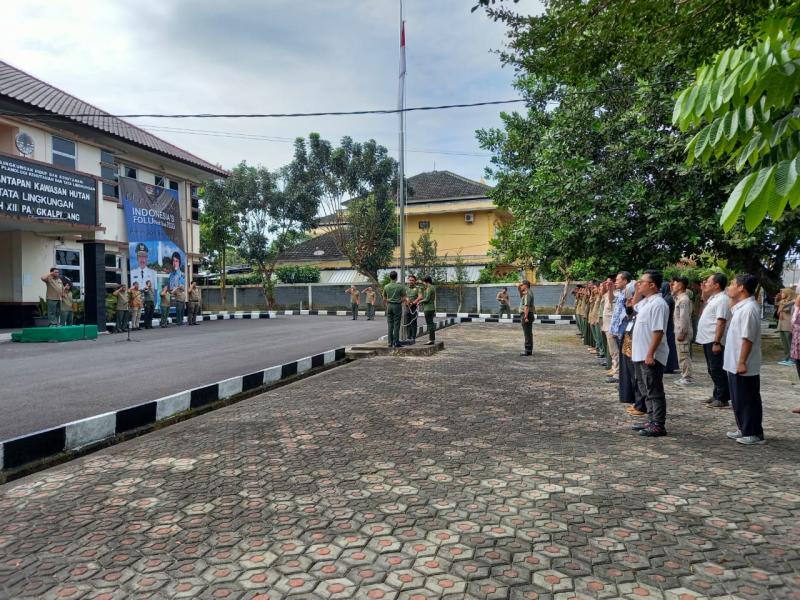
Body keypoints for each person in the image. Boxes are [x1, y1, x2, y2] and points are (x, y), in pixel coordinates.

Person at [724, 274, 765, 445]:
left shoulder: (749, 309)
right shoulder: (741, 307)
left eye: (733, 283)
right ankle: (743, 428)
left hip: (743, 363)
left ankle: (754, 432)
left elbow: (747, 338)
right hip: (734, 361)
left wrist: (742, 362)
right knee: (739, 398)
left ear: (741, 287)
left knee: (748, 399)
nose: (729, 286)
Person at [630, 270, 670, 437]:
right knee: (644, 388)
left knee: (654, 390)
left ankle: (658, 424)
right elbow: (633, 306)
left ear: (653, 285)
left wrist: (650, 354)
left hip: (649, 355)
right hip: (640, 354)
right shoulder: (647, 302)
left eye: (642, 282)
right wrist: (638, 291)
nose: (639, 284)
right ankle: (651, 419)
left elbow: (658, 331)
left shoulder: (658, 304)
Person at [696, 273, 731, 408]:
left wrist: (717, 342)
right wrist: (704, 291)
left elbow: (721, 321)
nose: (706, 283)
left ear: (716, 285)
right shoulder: (714, 298)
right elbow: (704, 301)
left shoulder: (722, 299)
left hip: (713, 339)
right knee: (712, 369)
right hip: (707, 338)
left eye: (709, 282)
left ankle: (722, 398)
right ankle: (717, 393)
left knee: (716, 369)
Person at [671, 276, 694, 385]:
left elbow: (684, 318)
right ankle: (684, 375)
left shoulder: (684, 299)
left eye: (674, 284)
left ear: (680, 286)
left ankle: (687, 377)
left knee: (684, 354)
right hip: (679, 330)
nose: (672, 286)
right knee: (681, 354)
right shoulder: (679, 298)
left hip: (682, 332)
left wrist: (682, 333)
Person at [382, 271, 406, 348]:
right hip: (397, 306)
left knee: (390, 325)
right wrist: (399, 301)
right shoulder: (400, 286)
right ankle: (396, 342)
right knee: (396, 324)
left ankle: (389, 342)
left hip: (389, 306)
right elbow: (404, 297)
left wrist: (387, 305)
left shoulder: (386, 286)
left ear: (390, 277)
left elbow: (384, 298)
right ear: (396, 277)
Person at [603, 277, 620, 383]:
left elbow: (611, 299)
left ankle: (617, 372)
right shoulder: (611, 293)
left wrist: (610, 289)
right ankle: (614, 368)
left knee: (615, 351)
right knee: (612, 350)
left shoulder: (617, 294)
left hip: (612, 326)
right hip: (607, 324)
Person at [776, 288, 795, 365]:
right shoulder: (781, 302)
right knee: (784, 343)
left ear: (788, 294)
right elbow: (778, 310)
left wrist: (782, 306)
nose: (782, 294)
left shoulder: (792, 303)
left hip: (788, 325)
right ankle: (787, 357)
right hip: (781, 325)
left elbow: (787, 309)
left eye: (783, 293)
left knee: (789, 343)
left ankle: (792, 359)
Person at [404, 275, 422, 344]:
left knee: (413, 323)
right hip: (407, 307)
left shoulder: (418, 288)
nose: (411, 281)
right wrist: (406, 301)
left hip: (414, 307)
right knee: (407, 322)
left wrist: (414, 302)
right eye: (410, 280)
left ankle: (413, 338)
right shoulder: (405, 288)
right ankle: (408, 337)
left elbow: (420, 296)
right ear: (408, 281)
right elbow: (403, 296)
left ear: (415, 281)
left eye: (412, 280)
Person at [519, 279, 535, 356]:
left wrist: (525, 317)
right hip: (528, 314)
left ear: (525, 285)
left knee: (527, 333)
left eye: (522, 285)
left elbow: (526, 306)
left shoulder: (528, 293)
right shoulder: (527, 292)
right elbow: (520, 294)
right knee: (528, 333)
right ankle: (529, 350)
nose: (520, 286)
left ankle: (528, 350)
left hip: (527, 314)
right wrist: (519, 288)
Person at [420, 276, 437, 345]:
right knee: (431, 324)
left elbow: (427, 299)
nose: (423, 283)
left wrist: (420, 302)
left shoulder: (430, 288)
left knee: (430, 324)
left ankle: (431, 340)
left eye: (424, 282)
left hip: (428, 308)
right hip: (431, 307)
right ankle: (432, 339)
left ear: (426, 282)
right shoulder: (432, 287)